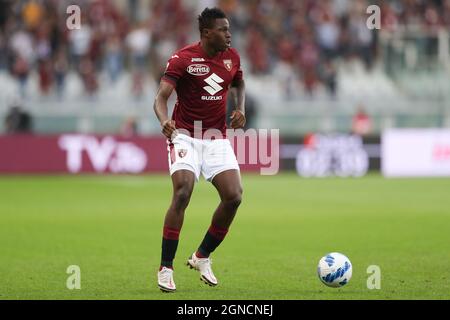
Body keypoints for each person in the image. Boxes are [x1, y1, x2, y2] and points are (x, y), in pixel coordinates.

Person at [153, 7, 246, 292]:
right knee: (183, 192)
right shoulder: (183, 59)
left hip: (216, 138)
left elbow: (239, 83)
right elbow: (161, 98)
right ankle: (165, 268)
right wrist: (164, 120)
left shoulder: (232, 58)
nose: (229, 34)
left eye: (229, 29)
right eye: (223, 30)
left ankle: (202, 256)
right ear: (207, 33)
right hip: (184, 136)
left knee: (234, 197)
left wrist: (240, 107)